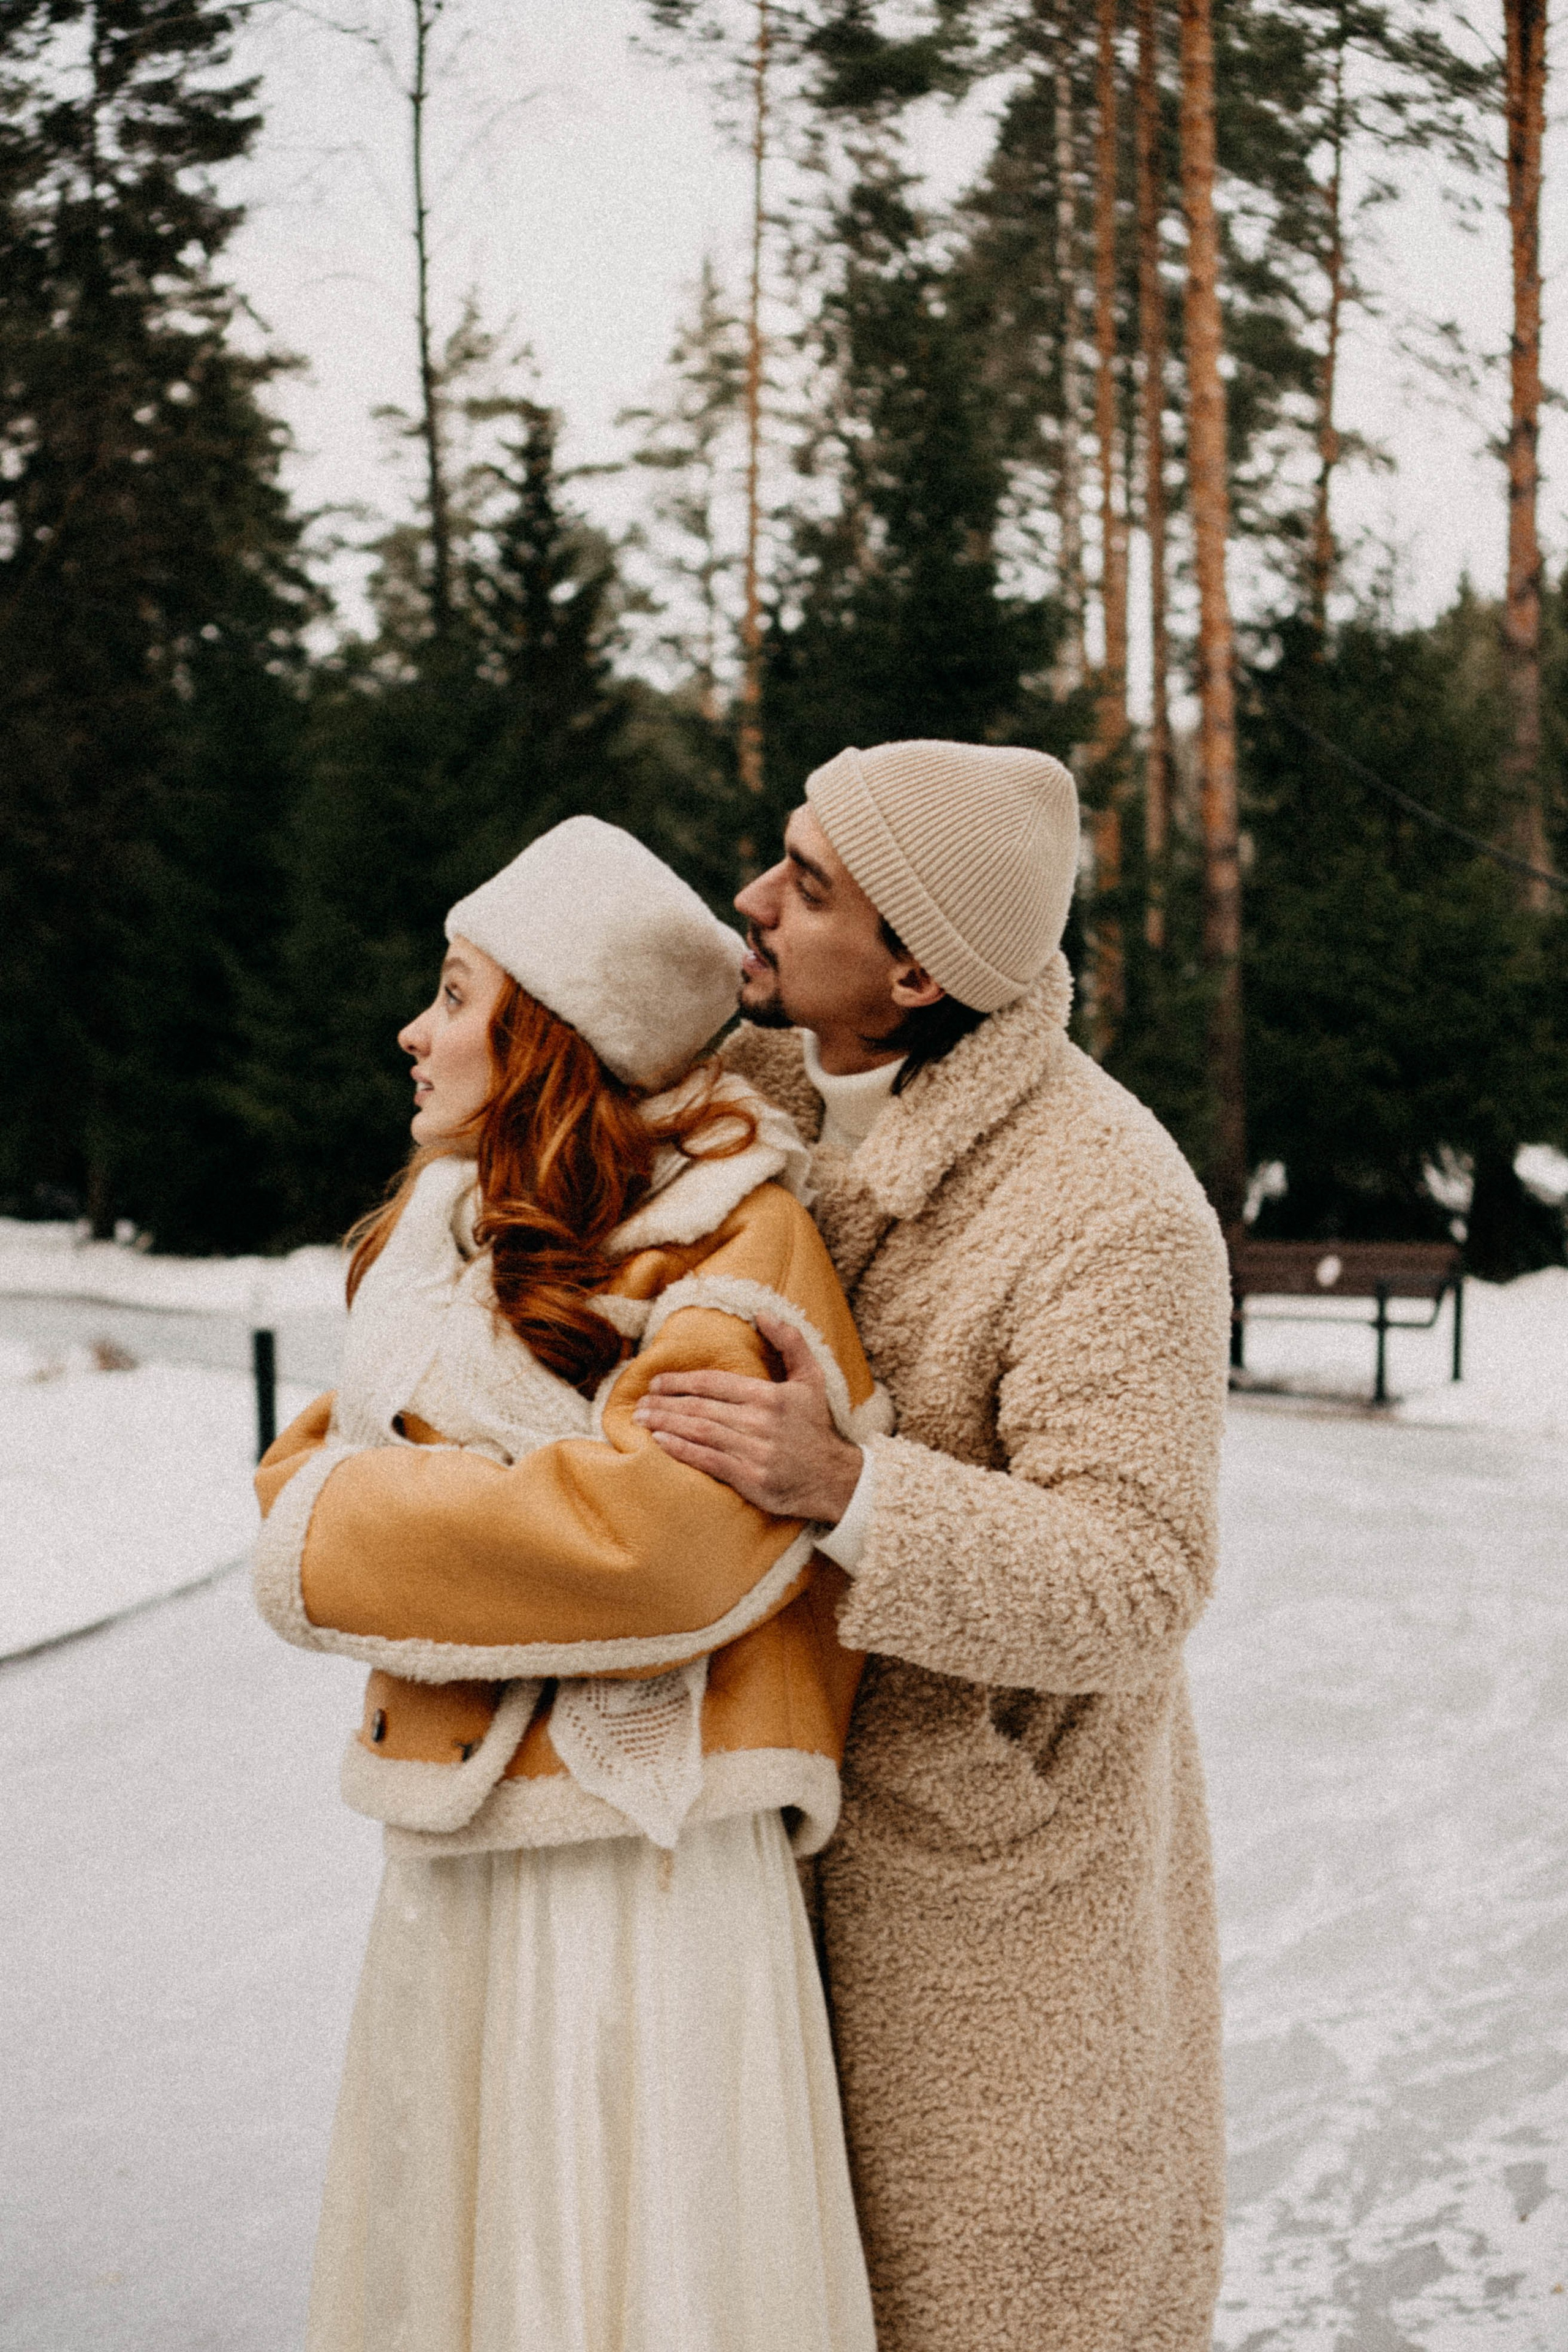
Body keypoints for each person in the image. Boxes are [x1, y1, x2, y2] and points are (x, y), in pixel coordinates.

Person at [251, 816, 881, 2352]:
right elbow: (298, 1480)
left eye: (455, 994)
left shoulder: (743, 1232)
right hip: (464, 1851)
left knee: (643, 2266)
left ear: (550, 1036)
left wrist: (382, 1497)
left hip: (648, 1867)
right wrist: (474, 1490)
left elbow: (657, 1542)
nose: (414, 1029)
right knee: (457, 2266)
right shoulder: (431, 1238)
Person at [634, 741, 1233, 2352]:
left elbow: (1138, 1578)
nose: (751, 901)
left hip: (990, 1923)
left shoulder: (1111, 1204)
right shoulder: (744, 1096)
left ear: (913, 968)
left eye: (806, 884)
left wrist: (854, 1491)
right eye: (779, 855)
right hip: (749, 1847)